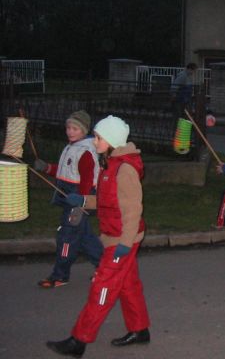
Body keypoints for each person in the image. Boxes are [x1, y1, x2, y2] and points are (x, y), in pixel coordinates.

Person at [46, 115, 150, 357]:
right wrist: (82, 200)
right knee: (128, 285)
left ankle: (79, 340)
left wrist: (125, 243)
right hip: (116, 235)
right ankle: (140, 330)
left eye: (98, 138)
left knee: (101, 288)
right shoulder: (109, 164)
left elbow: (133, 210)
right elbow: (106, 201)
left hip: (122, 239)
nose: (94, 141)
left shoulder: (124, 169)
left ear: (111, 140)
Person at [34, 110, 103, 289]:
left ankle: (60, 275)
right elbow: (64, 171)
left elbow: (87, 180)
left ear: (84, 130)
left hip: (78, 201)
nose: (70, 132)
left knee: (66, 238)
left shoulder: (85, 152)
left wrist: (80, 204)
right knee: (85, 238)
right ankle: (106, 269)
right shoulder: (71, 147)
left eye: (75, 129)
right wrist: (47, 168)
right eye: (68, 128)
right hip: (70, 198)